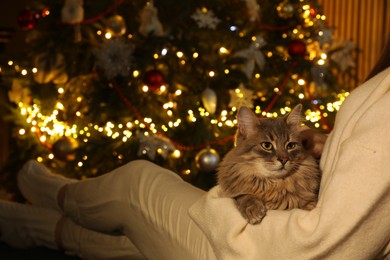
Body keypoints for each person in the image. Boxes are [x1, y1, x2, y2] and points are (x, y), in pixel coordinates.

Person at [1, 35, 390, 259]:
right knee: (141, 237)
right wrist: (330, 140)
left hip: (272, 248)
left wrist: (230, 211)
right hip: (277, 236)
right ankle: (41, 228)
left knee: (138, 184)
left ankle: (59, 196)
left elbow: (333, 246)